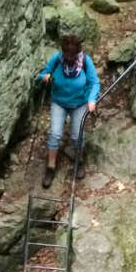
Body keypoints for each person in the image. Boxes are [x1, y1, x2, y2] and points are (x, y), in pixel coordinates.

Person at [37, 33, 100, 188]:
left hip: (79, 103)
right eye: (67, 55)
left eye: (72, 55)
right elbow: (42, 73)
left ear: (78, 52)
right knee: (55, 133)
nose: (69, 58)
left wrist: (92, 99)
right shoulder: (58, 58)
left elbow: (95, 83)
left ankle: (79, 162)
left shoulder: (86, 61)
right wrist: (44, 77)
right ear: (63, 52)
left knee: (77, 136)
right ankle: (51, 167)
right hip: (59, 102)